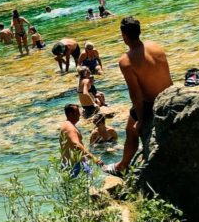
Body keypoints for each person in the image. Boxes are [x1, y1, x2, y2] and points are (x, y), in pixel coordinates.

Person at [105, 17, 172, 176]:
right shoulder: (155, 46)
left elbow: (135, 94)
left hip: (153, 102)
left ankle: (122, 166)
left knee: (130, 129)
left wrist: (141, 122)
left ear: (123, 35)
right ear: (139, 31)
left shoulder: (126, 61)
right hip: (170, 95)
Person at [60, 105, 104, 177]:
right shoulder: (70, 128)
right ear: (71, 114)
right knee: (88, 182)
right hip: (75, 165)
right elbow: (76, 144)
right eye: (77, 112)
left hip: (69, 163)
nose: (80, 114)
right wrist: (94, 158)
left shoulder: (66, 124)